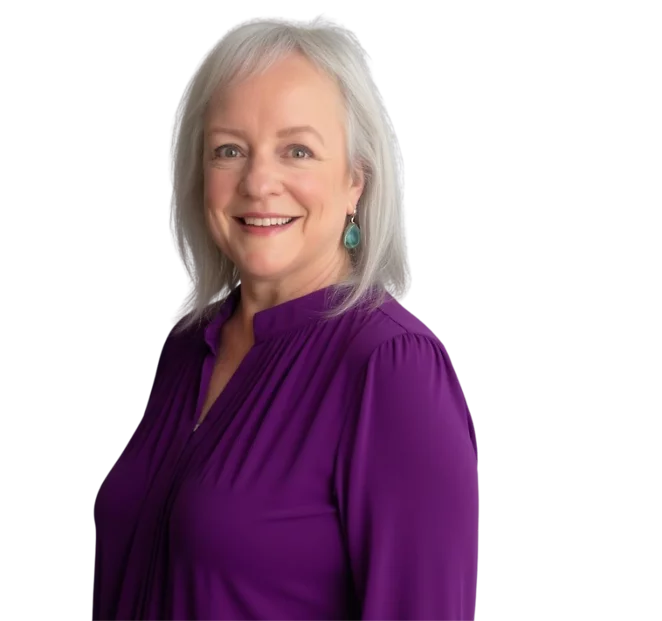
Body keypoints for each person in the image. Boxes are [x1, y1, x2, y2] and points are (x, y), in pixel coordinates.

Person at [91, 14, 479, 621]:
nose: (258, 182)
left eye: (297, 150)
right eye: (230, 150)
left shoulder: (391, 366)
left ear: (356, 179)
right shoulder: (189, 346)